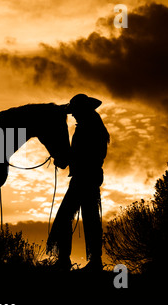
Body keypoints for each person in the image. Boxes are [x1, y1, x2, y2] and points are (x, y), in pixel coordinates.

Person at [47, 94, 110, 272]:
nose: (73, 115)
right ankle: (92, 261)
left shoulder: (88, 129)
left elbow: (84, 154)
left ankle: (65, 260)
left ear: (82, 111)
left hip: (84, 178)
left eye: (75, 112)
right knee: (90, 218)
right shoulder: (93, 127)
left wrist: (67, 159)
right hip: (88, 177)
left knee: (66, 217)